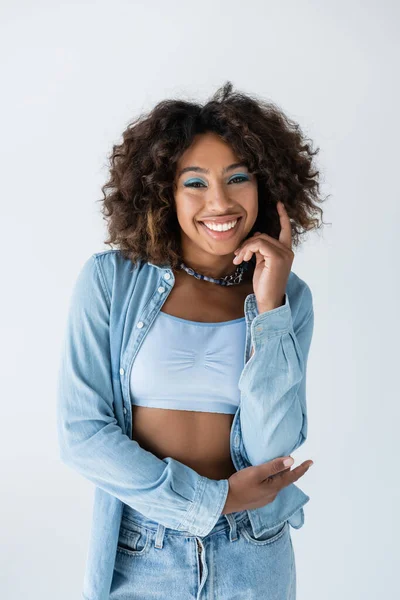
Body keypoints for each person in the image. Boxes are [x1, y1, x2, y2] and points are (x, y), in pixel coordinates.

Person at [56, 81, 325, 599]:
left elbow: (274, 444)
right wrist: (209, 501)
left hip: (255, 548)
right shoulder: (110, 282)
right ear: (164, 193)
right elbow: (82, 433)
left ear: (266, 187)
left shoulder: (290, 298)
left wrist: (271, 310)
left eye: (238, 178)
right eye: (195, 183)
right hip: (143, 550)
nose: (219, 202)